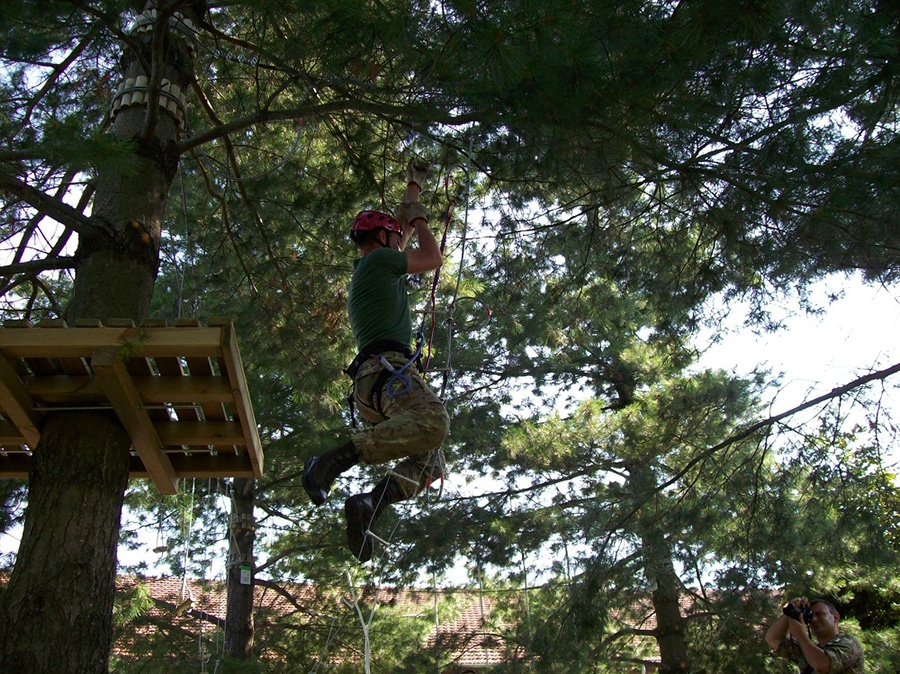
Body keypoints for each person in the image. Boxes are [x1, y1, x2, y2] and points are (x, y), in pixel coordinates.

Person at [302, 160, 451, 562]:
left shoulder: (373, 267)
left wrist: (414, 188)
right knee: (434, 421)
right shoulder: (380, 263)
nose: (399, 239)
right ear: (383, 238)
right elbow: (432, 256)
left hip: (375, 385)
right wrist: (419, 219)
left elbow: (400, 233)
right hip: (386, 372)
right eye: (394, 235)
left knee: (430, 463)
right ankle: (333, 460)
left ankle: (370, 503)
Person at [765, 598, 864, 673]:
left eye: (820, 614)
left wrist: (800, 634)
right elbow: (773, 639)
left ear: (835, 617)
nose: (814, 619)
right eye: (811, 616)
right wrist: (790, 612)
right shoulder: (809, 649)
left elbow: (822, 665)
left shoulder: (849, 644)